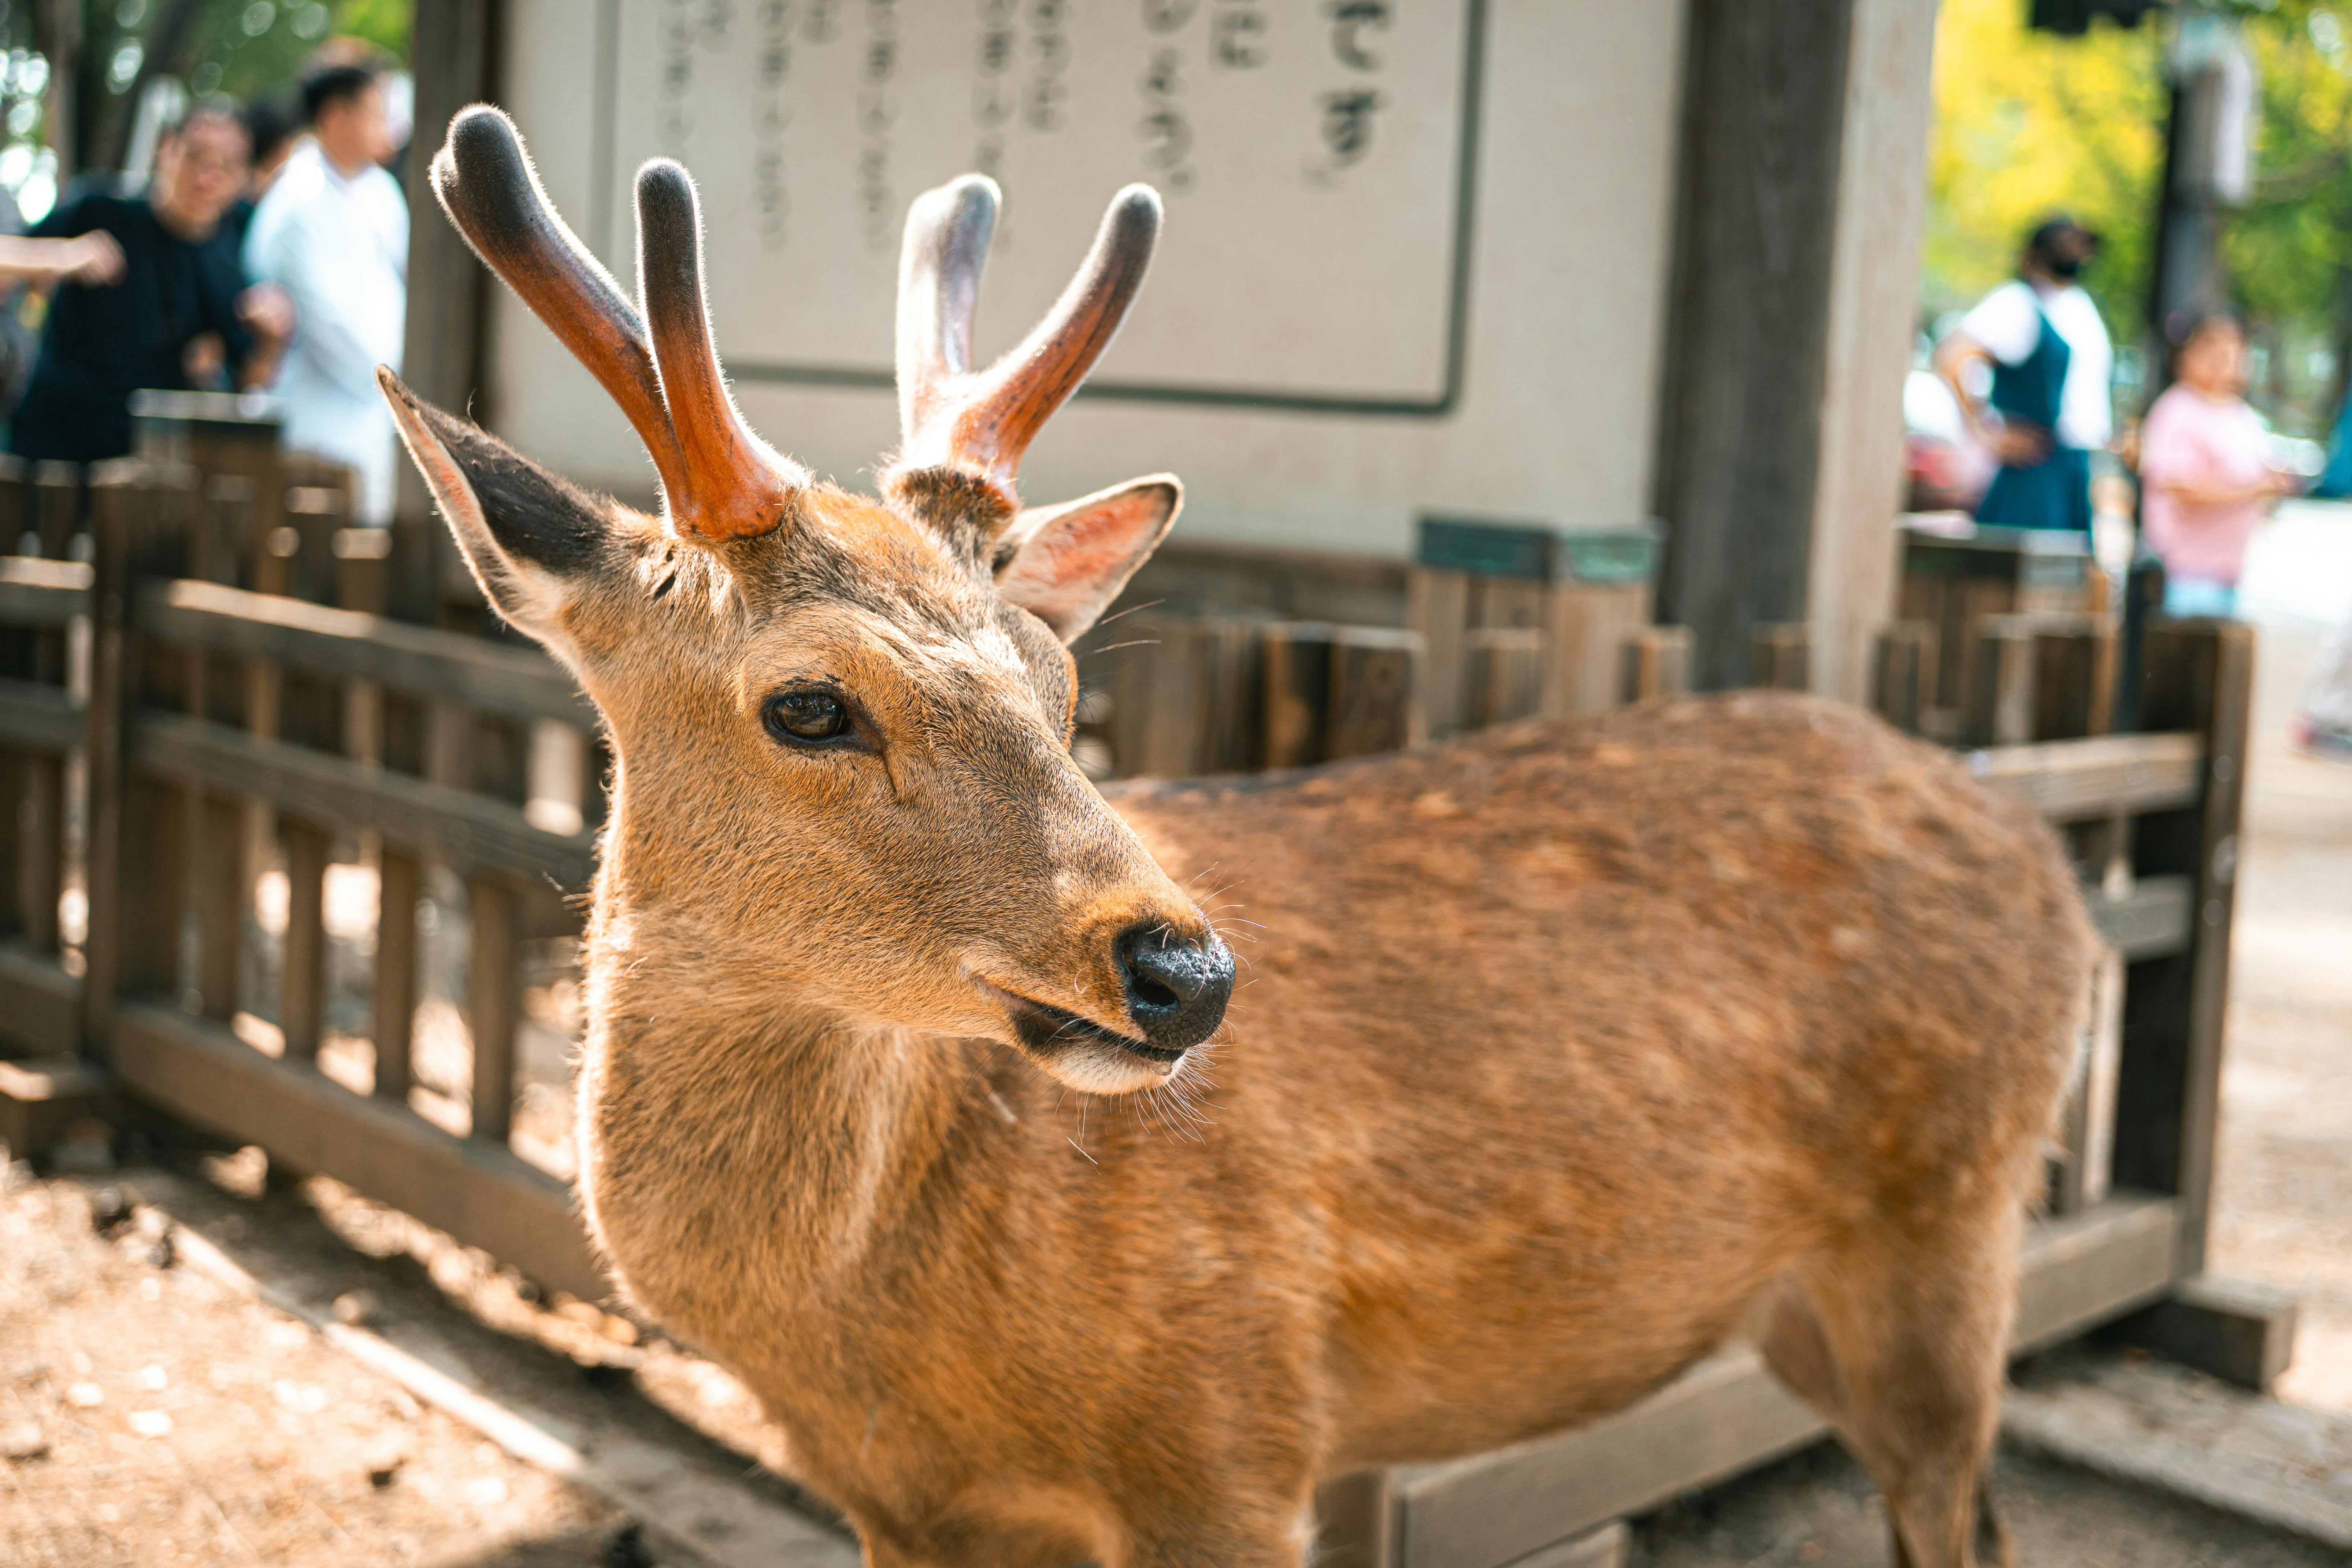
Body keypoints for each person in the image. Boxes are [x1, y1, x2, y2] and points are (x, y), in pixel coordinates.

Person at [6, 103, 294, 466]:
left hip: (141, 467)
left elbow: (249, 381)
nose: (207, 177)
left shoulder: (225, 258)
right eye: (196, 157)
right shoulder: (101, 209)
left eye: (225, 167)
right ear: (167, 149)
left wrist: (272, 341)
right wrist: (60, 256)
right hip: (50, 452)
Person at [242, 59, 407, 523]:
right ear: (336, 117)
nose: (388, 127)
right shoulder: (296, 202)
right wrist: (396, 387)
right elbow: (325, 325)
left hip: (381, 410)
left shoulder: (381, 191)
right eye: (377, 112)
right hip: (320, 423)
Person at [1934, 217, 2114, 533]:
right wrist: (1986, 431)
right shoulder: (2017, 302)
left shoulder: (2079, 304)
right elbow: (1952, 357)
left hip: (2073, 469)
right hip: (2036, 470)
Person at [2137, 312, 2296, 618]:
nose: (2222, 360)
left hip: (2227, 571)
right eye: (2212, 349)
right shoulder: (2177, 410)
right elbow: (2182, 491)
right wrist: (2254, 490)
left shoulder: (2241, 414)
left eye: (2231, 351)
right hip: (2185, 574)